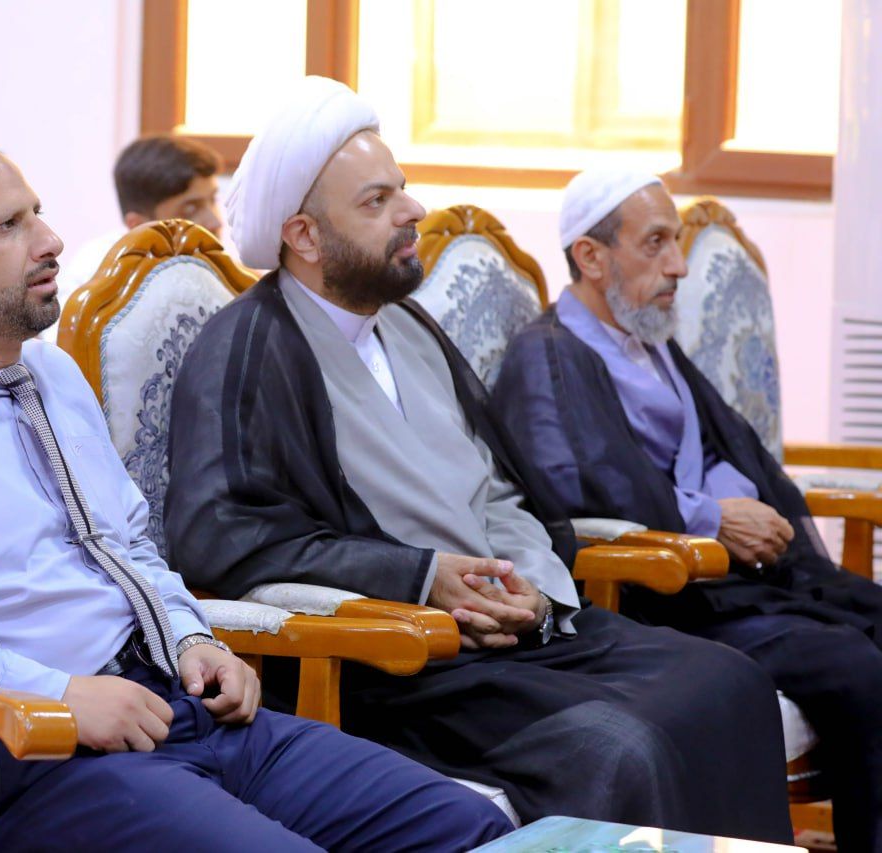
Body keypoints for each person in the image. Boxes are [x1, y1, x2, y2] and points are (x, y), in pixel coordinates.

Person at [0, 137, 512, 851]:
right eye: (9, 226)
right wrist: (58, 694)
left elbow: (125, 544)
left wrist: (194, 637)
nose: (50, 240)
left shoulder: (51, 375)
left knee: (468, 826)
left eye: (36, 213)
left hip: (176, 705)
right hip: (24, 752)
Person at [164, 76, 793, 842]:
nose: (412, 210)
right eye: (376, 201)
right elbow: (222, 536)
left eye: (401, 188)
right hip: (400, 659)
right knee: (620, 748)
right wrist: (421, 575)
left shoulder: (408, 328)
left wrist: (534, 587)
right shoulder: (248, 348)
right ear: (304, 235)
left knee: (732, 680)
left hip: (516, 630)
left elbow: (500, 491)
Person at [494, 169, 882, 851]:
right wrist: (713, 520)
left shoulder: (652, 342)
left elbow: (726, 447)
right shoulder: (546, 357)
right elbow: (575, 490)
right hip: (660, 599)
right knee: (851, 661)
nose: (678, 265)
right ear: (592, 256)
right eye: (656, 243)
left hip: (732, 583)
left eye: (675, 241)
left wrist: (741, 507)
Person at [48, 135, 224, 343]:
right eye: (191, 209)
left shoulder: (225, 269)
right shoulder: (94, 273)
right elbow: (64, 346)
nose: (215, 221)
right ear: (138, 224)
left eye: (213, 199)